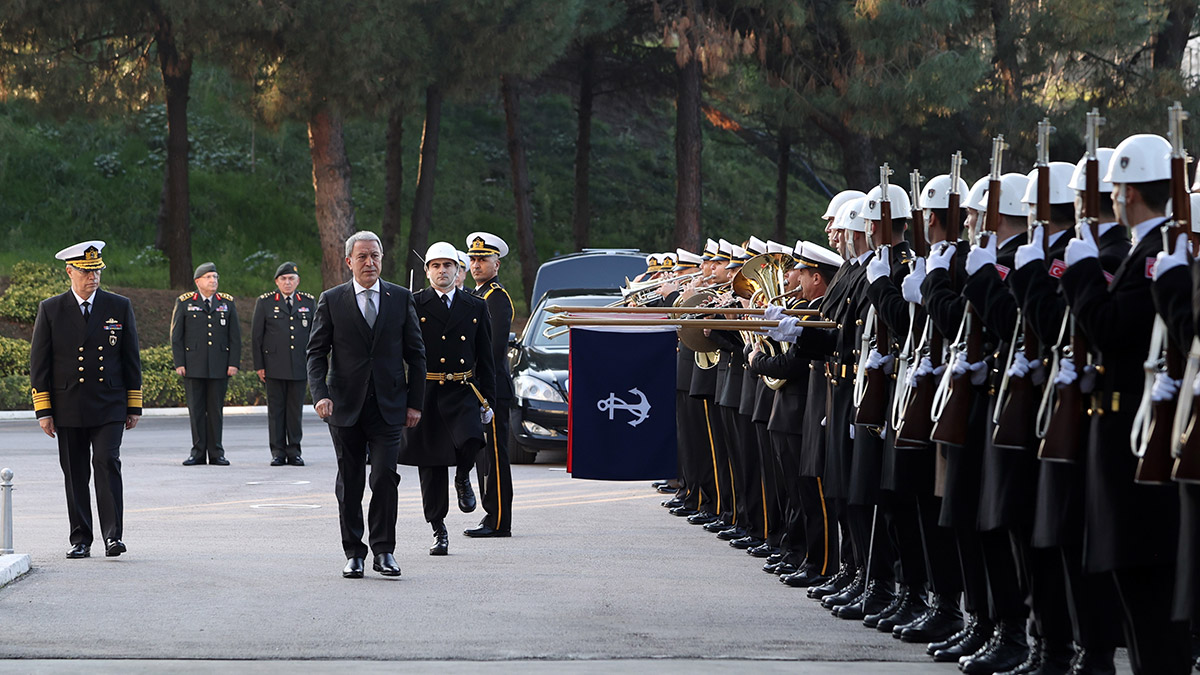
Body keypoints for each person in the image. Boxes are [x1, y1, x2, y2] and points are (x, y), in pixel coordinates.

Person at [307, 231, 425, 579]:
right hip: (344, 407)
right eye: (362, 257)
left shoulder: (400, 298)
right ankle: (354, 552)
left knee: (385, 477)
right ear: (349, 262)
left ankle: (384, 551)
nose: (370, 262)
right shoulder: (331, 300)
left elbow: (416, 355)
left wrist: (414, 403)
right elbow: (316, 353)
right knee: (351, 481)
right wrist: (320, 395)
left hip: (390, 407)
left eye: (375, 255)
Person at [30, 241, 141, 559]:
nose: (93, 277)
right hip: (68, 405)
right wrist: (44, 409)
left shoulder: (118, 306)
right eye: (86, 271)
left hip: (109, 403)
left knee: (107, 462)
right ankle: (80, 538)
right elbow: (40, 364)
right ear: (70, 271)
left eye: (97, 271)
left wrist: (133, 404)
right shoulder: (51, 309)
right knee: (75, 471)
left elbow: (130, 357)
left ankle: (113, 536)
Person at [401, 241, 497, 556]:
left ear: (459, 270)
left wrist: (488, 400)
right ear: (427, 271)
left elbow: (486, 358)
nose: (442, 271)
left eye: (448, 266)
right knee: (430, 467)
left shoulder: (475, 306)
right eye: (436, 266)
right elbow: (401, 354)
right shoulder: (413, 304)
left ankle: (463, 477)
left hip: (463, 390)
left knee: (472, 439)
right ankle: (438, 529)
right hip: (427, 393)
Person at [465, 231, 515, 537]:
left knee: (495, 457)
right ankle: (490, 513)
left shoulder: (496, 297)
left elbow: (493, 349)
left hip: (491, 388)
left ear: (496, 265)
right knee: (483, 458)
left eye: (483, 259)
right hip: (477, 388)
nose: (476, 264)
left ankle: (499, 521)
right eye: (472, 259)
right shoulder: (475, 296)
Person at [171, 262, 241, 466]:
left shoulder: (227, 302)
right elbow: (177, 336)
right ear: (198, 281)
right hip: (193, 365)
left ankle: (217, 452)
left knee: (216, 410)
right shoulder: (184, 302)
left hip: (219, 365)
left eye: (215, 277)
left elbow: (234, 336)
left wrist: (233, 362)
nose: (213, 281)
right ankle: (198, 452)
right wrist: (179, 362)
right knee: (196, 410)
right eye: (209, 277)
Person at [251, 261, 316, 466]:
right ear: (277, 282)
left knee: (295, 411)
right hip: (274, 366)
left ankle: (294, 450)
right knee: (276, 411)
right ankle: (278, 451)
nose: (287, 283)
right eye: (283, 279)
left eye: (291, 279)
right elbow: (256, 337)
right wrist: (259, 365)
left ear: (298, 281)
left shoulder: (308, 302)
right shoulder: (265, 302)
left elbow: (315, 335)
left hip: (299, 364)